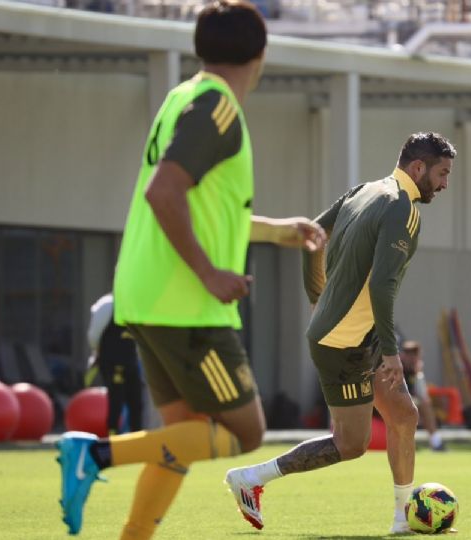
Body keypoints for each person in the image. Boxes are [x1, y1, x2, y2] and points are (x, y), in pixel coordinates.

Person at [55, 2, 326, 538]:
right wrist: (208, 274)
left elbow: (203, 210)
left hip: (146, 295)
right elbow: (164, 193)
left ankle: (133, 535)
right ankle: (96, 455)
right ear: (260, 54)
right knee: (245, 432)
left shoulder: (182, 97)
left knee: (181, 434)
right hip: (186, 303)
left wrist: (278, 231)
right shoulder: (219, 108)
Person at [224, 132, 457, 534]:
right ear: (418, 168)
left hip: (354, 334)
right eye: (442, 173)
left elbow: (311, 234)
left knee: (404, 415)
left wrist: (316, 295)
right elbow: (383, 286)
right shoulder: (404, 210)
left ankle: (403, 519)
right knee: (351, 444)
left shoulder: (365, 190)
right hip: (343, 345)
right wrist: (391, 354)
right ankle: (250, 479)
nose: (444, 184)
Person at [87, 293, 143, 434]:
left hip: (131, 360)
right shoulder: (107, 304)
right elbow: (94, 335)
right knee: (115, 400)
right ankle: (113, 438)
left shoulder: (137, 305)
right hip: (112, 361)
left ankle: (137, 438)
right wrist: (97, 353)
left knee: (137, 402)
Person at [400, 340, 446, 451]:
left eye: (414, 354)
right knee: (423, 404)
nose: (411, 358)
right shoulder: (397, 367)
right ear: (403, 354)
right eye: (408, 354)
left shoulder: (414, 370)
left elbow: (422, 393)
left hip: (408, 403)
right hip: (392, 404)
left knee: (426, 403)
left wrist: (418, 374)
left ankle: (435, 442)